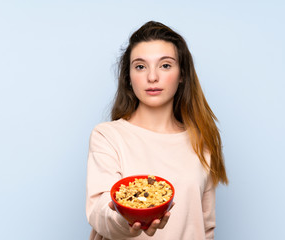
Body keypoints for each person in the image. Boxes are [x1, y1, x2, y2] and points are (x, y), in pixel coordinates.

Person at [86, 21, 228, 240]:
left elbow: (205, 228)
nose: (152, 77)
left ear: (182, 75)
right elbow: (99, 211)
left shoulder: (202, 142)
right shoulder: (108, 136)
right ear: (128, 77)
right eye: (140, 66)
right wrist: (127, 219)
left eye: (165, 65)